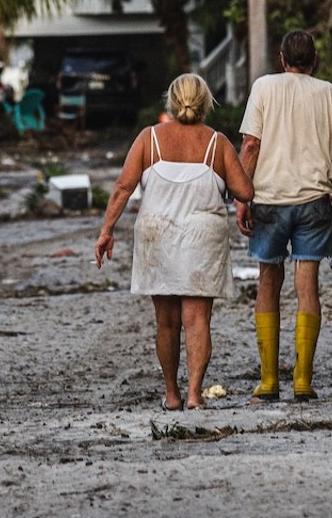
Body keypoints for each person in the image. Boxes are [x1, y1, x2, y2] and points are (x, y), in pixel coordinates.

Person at [95, 73, 253, 410]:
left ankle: (171, 394)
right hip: (201, 236)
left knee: (166, 322)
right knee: (197, 321)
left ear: (170, 100)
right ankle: (195, 395)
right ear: (206, 102)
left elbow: (124, 186)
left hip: (158, 234)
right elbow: (244, 192)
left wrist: (106, 230)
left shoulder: (148, 139)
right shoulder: (217, 143)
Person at [234, 30, 332, 402]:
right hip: (315, 202)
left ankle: (269, 381)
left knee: (268, 283)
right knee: (308, 287)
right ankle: (303, 381)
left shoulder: (264, 88)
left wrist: (242, 197)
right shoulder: (330, 94)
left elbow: (251, 145)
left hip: (268, 201)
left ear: (282, 58)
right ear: (314, 60)